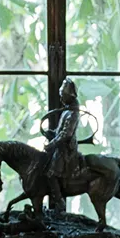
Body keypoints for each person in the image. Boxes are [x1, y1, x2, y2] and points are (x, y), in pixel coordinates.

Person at [42, 78, 85, 211]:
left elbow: (66, 134)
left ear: (69, 96)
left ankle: (59, 202)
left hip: (65, 149)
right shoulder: (67, 110)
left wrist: (53, 143)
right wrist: (52, 133)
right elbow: (60, 130)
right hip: (60, 146)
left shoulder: (73, 113)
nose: (61, 99)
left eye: (62, 96)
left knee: (51, 174)